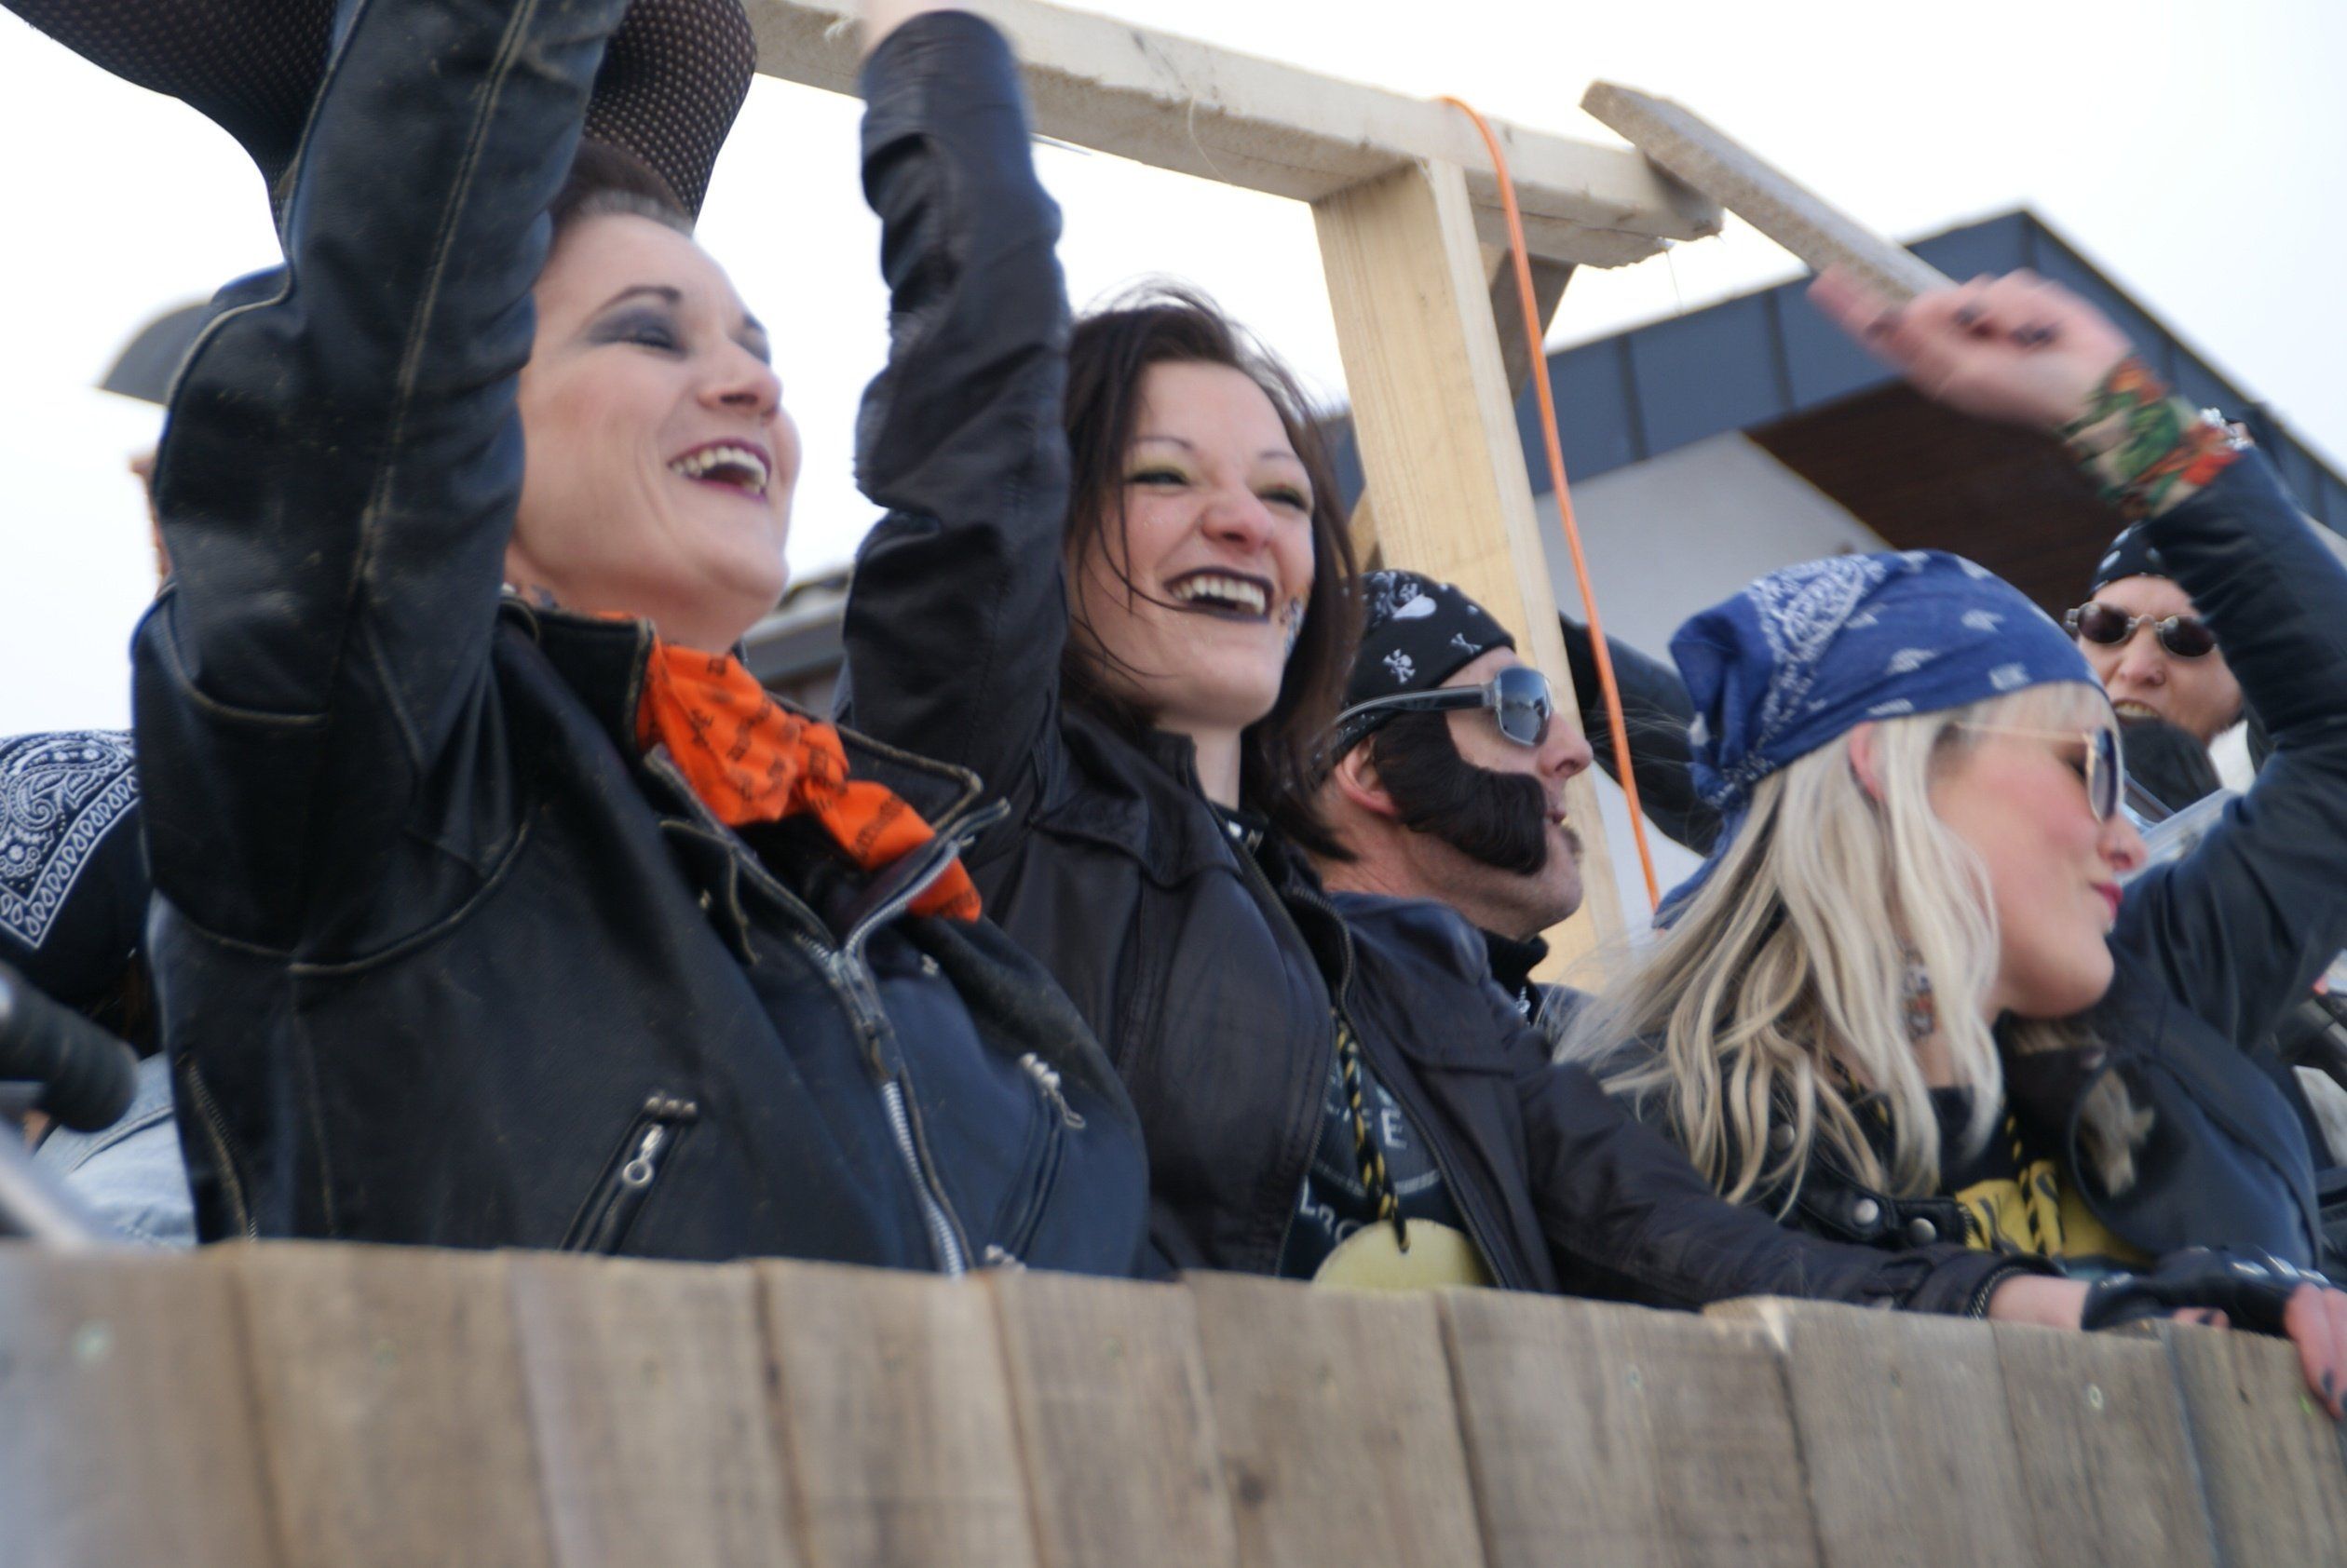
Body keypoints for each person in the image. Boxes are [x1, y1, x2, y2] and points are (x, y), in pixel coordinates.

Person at [831, 9, 2347, 1377]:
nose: (1243, 520)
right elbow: (978, 470)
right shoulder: (989, 819)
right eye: (1164, 477)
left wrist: (2073, 1307)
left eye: (1287, 493)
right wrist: (938, 53)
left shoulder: (1413, 981)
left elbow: (1690, 1250)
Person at [31, 0, 1153, 1274]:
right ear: (460, 423)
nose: (754, 383)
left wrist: (936, 50)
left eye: (756, 345)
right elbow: (399, 310)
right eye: (648, 333)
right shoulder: (384, 793)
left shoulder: (861, 846)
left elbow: (988, 492)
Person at [1564, 268, 2347, 1304]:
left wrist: (2118, 409)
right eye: (2086, 768)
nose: (2129, 841)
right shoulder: (1655, 1128)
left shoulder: (2151, 983)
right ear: (1887, 771)